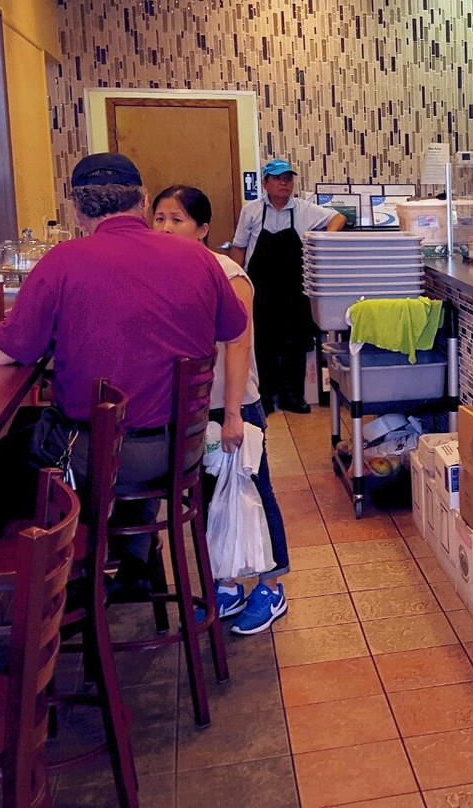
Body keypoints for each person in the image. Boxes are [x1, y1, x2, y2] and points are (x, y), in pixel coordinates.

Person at [0, 152, 247, 593]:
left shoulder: (64, 261)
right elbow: (233, 328)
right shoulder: (198, 258)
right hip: (180, 448)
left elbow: (7, 352)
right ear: (142, 202)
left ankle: (71, 580)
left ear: (77, 211)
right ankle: (132, 555)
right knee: (125, 423)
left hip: (95, 452)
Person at [152, 184, 291, 634]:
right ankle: (226, 585)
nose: (165, 228)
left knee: (255, 492)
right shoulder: (161, 273)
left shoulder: (229, 274)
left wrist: (232, 415)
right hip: (191, 407)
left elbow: (239, 345)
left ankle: (271, 587)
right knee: (212, 498)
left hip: (234, 404)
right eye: (159, 218)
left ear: (203, 229)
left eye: (177, 219)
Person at [229, 158, 346, 416]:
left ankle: (293, 396)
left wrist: (324, 240)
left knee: (295, 343)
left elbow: (338, 218)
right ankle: (265, 396)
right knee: (263, 343)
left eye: (288, 178)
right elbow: (239, 247)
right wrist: (235, 284)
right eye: (278, 178)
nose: (284, 183)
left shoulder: (304, 209)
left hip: (294, 290)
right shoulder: (251, 211)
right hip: (261, 289)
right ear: (265, 183)